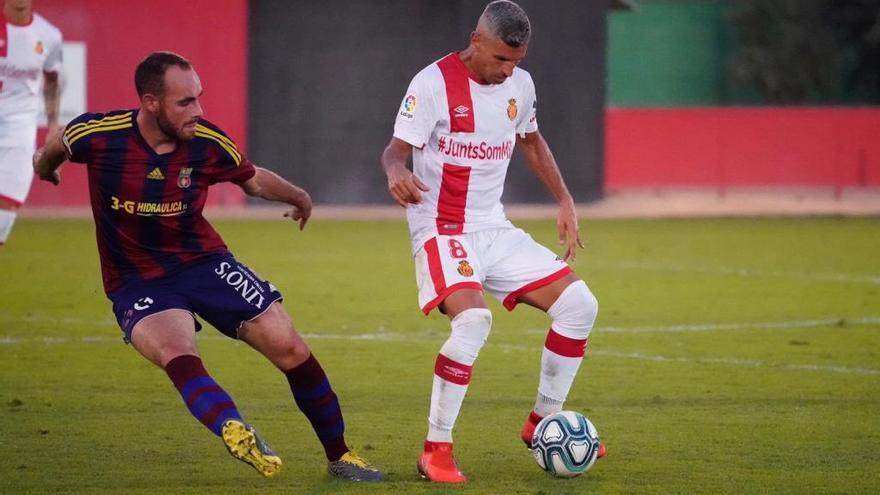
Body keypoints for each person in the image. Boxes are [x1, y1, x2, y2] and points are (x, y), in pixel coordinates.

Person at [33, 51, 382, 482]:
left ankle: (340, 456)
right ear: (150, 102)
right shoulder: (101, 136)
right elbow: (59, 145)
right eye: (185, 102)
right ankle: (233, 428)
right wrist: (44, 168)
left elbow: (250, 178)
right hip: (135, 278)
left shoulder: (207, 142)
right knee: (179, 353)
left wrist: (299, 196)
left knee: (290, 347)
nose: (197, 110)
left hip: (205, 263)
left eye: (198, 98)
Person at [381, 0, 605, 483]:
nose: (509, 71)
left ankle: (543, 421)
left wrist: (564, 200)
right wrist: (396, 170)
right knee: (474, 322)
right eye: (502, 59)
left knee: (581, 306)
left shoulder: (520, 86)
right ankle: (435, 450)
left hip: (494, 228)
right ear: (476, 39)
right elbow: (395, 149)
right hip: (441, 229)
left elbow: (531, 140)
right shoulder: (432, 83)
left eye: (517, 62)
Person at [0, 0, 61, 246]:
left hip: (19, 133)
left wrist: (53, 127)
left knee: (3, 217)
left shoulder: (49, 36)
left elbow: (52, 83)